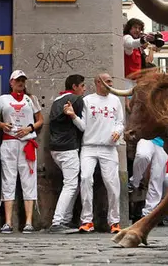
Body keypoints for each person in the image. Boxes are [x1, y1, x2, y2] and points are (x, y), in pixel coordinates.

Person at [64, 73, 124, 234]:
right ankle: (87, 220)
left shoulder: (115, 100)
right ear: (98, 82)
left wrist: (118, 131)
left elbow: (120, 122)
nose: (111, 84)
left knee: (112, 183)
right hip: (89, 146)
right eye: (108, 81)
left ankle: (114, 221)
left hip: (109, 148)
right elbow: (83, 126)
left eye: (111, 80)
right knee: (85, 179)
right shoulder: (87, 100)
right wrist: (73, 116)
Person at [0, 69, 43, 234]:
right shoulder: (3, 99)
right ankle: (8, 222)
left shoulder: (31, 99)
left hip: (26, 143)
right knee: (8, 180)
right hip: (9, 143)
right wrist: (2, 125)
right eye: (17, 80)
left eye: (23, 80)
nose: (20, 83)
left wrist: (29, 128)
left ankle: (28, 222)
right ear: (11, 82)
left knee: (29, 180)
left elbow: (40, 120)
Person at [48, 74, 86, 234]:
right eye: (82, 85)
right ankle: (57, 222)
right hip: (68, 148)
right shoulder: (76, 100)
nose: (84, 89)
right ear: (74, 86)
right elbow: (83, 127)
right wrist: (74, 116)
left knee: (72, 184)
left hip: (55, 148)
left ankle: (66, 219)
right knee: (70, 184)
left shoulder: (56, 100)